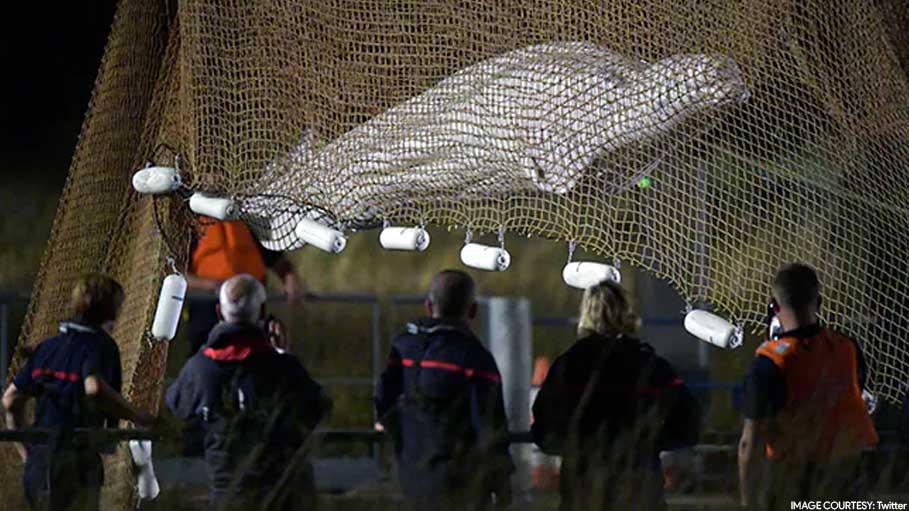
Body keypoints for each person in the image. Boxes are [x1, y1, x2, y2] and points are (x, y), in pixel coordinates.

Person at [531, 280, 701, 511]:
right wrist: (650, 443)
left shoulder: (569, 365)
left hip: (583, 488)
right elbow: (690, 423)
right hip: (640, 487)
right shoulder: (649, 364)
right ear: (626, 313)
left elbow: (543, 431)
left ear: (585, 314)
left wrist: (576, 448)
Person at [166, 274, 329, 511]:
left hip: (228, 495)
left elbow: (174, 411)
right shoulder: (283, 368)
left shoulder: (199, 368)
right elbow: (318, 409)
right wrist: (283, 354)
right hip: (280, 495)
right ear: (263, 312)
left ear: (220, 312)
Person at [2, 274, 155, 511]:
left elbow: (10, 399)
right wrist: (137, 416)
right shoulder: (100, 346)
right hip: (77, 459)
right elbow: (94, 388)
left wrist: (28, 451)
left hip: (40, 462)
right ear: (112, 310)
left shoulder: (48, 348)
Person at [738, 263, 879, 509]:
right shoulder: (846, 347)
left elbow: (750, 443)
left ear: (775, 305)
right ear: (819, 302)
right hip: (848, 476)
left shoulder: (771, 361)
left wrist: (748, 501)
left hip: (794, 480)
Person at [375, 270, 513, 511]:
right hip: (462, 485)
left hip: (412, 478)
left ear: (429, 306)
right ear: (472, 310)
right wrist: (501, 484)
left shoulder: (404, 346)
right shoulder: (476, 359)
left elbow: (383, 402)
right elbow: (490, 427)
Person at [186, 219, 305, 355]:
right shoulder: (191, 225)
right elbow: (177, 275)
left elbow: (280, 263)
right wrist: (211, 286)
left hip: (252, 306)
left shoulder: (252, 222)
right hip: (207, 308)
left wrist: (291, 279)